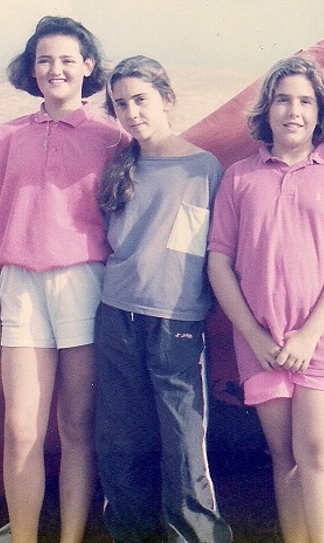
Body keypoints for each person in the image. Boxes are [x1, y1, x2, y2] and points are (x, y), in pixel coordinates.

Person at [0, 16, 128, 543]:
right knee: (21, 431)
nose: (55, 69)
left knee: (77, 427)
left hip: (85, 286)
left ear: (88, 66)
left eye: (66, 59)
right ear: (31, 69)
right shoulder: (8, 136)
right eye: (44, 60)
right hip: (20, 289)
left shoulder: (113, 137)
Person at [207, 56, 324, 543]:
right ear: (267, 108)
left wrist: (309, 334)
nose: (293, 111)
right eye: (283, 100)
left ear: (320, 112)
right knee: (286, 459)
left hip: (323, 340)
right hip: (261, 343)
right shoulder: (239, 177)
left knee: (317, 455)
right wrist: (254, 336)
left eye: (305, 101)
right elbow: (219, 262)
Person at [93, 56, 233, 543]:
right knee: (121, 440)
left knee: (183, 443)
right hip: (116, 316)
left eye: (141, 100)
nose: (131, 112)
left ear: (167, 99)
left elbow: (208, 250)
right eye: (120, 104)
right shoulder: (118, 166)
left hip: (177, 323)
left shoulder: (203, 168)